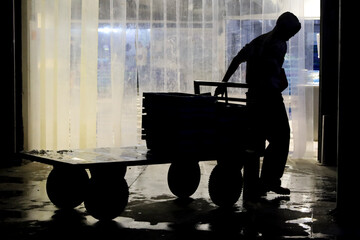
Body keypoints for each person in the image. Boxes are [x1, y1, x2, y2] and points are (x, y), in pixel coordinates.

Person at [215, 12, 301, 196]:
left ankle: (263, 182)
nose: (291, 37)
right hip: (269, 99)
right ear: (284, 28)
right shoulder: (279, 45)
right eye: (291, 33)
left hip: (254, 98)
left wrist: (224, 83)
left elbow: (237, 58)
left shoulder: (259, 40)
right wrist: (281, 83)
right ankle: (269, 180)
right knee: (282, 137)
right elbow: (270, 76)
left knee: (260, 139)